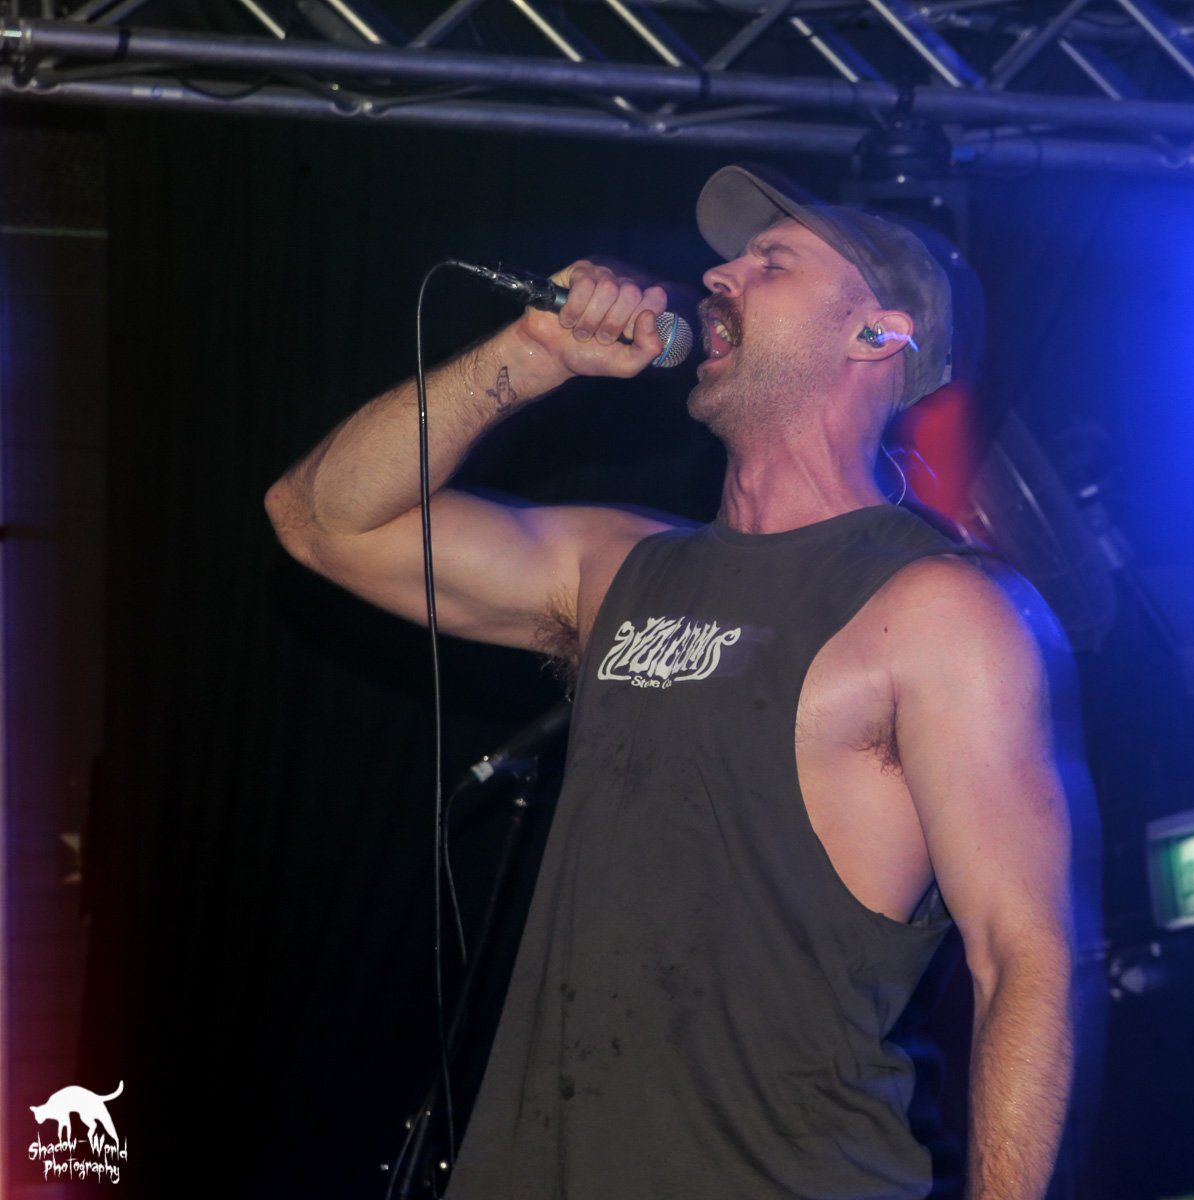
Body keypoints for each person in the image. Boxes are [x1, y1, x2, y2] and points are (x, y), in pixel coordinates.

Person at [264, 165, 1075, 1199]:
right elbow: (320, 519)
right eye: (733, 259)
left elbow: (1024, 957)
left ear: (877, 336)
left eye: (772, 262)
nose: (720, 275)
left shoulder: (941, 610)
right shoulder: (618, 568)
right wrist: (528, 355)